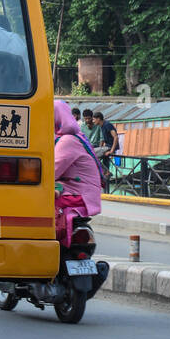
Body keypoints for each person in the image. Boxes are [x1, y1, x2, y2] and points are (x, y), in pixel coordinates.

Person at [53, 100, 103, 245]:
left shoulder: (68, 141)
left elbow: (51, 172)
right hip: (79, 190)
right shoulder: (76, 136)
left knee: (39, 203)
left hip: (81, 194)